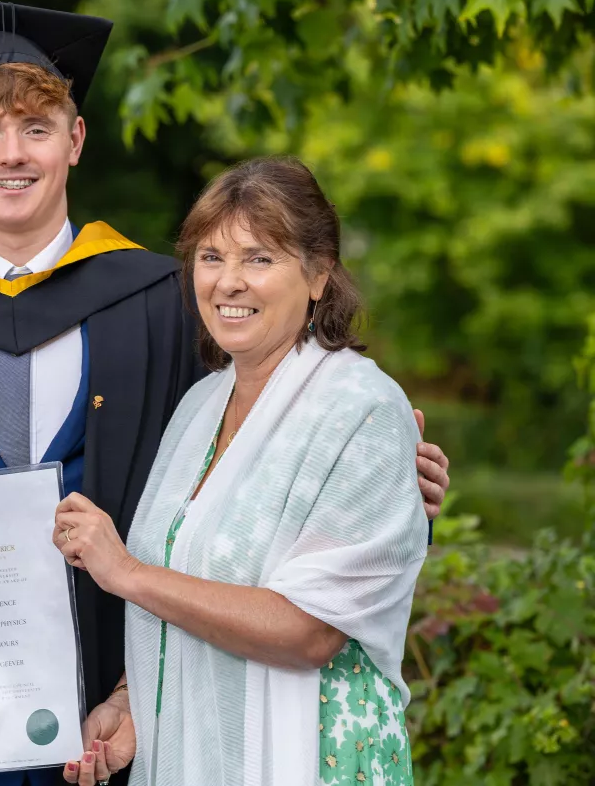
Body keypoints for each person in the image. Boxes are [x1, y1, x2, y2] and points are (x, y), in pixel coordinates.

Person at [0, 0, 449, 786]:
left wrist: (391, 482)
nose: (13, 155)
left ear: (74, 140)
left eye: (37, 129)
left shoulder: (161, 302)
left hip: (114, 723)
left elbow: (263, 463)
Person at [54, 157, 428, 786]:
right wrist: (132, 701)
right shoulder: (200, 407)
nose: (228, 282)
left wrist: (124, 572)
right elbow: (192, 581)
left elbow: (308, 632)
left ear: (318, 274)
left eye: (259, 258)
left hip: (315, 759)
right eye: (210, 257)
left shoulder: (359, 409)